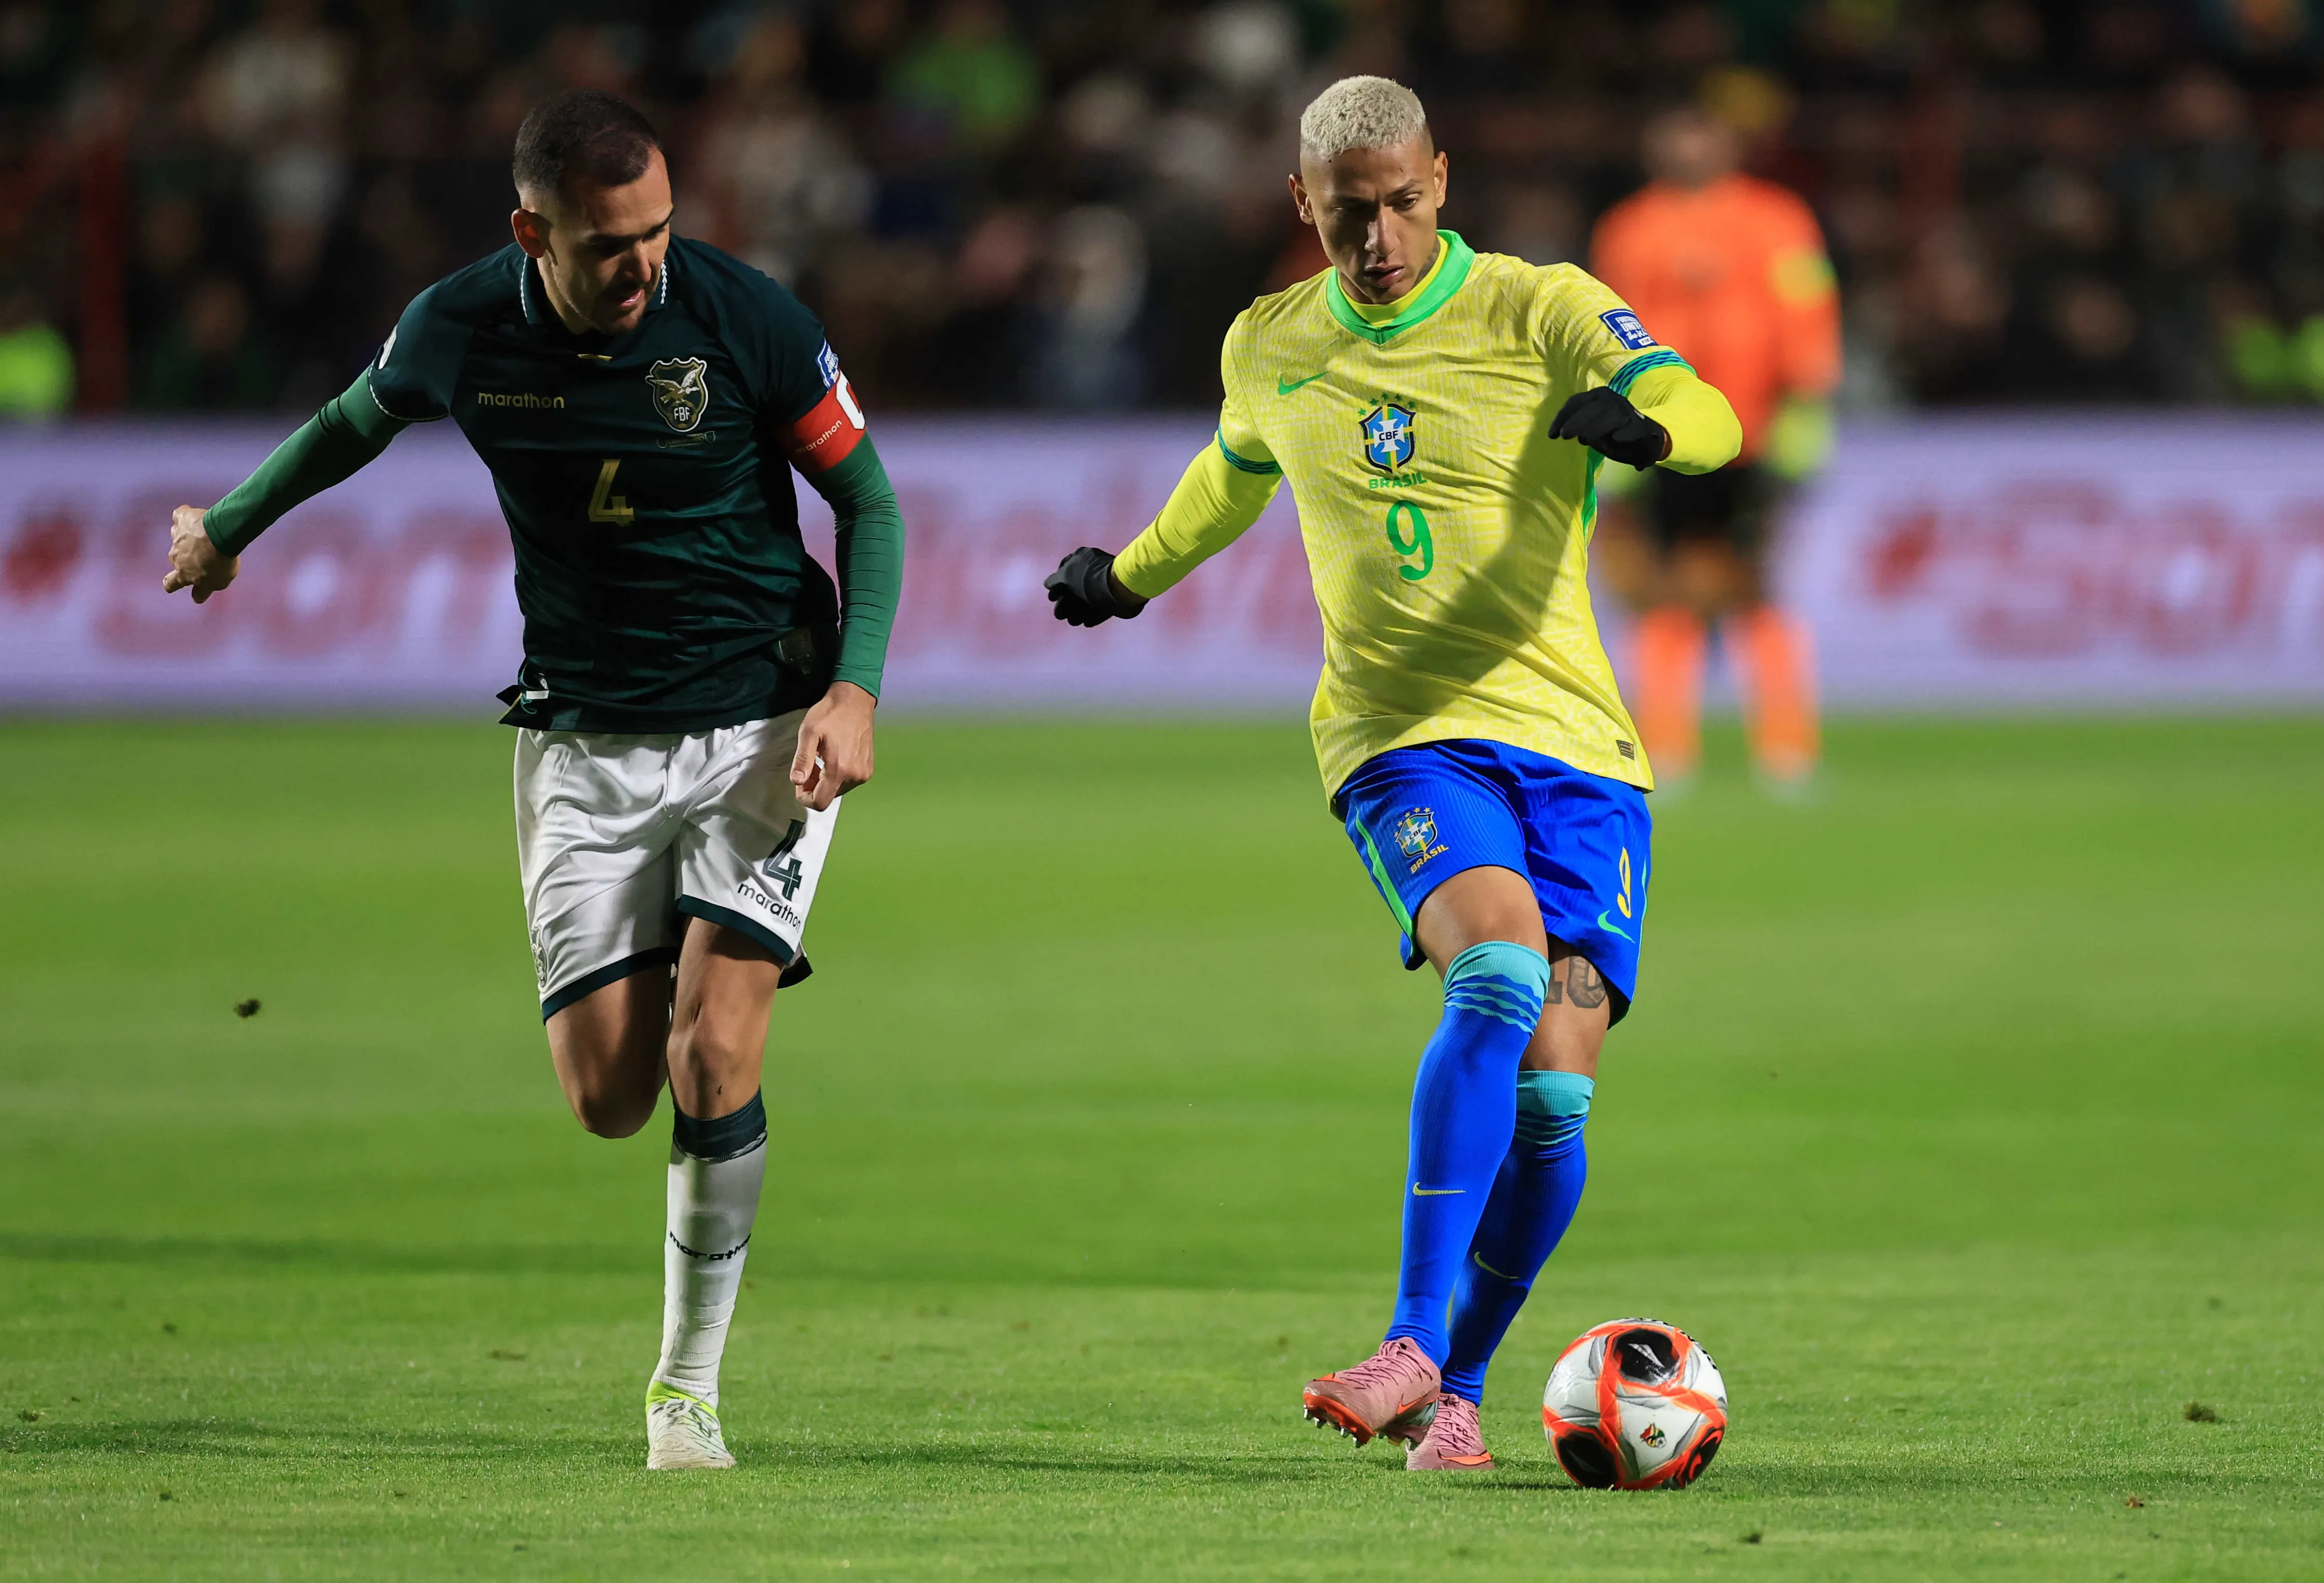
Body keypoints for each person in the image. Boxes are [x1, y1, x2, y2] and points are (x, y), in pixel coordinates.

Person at [159, 90, 905, 1472]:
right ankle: (663, 986)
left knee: (714, 1047)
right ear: (532, 231)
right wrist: (231, 530)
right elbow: (349, 422)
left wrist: (853, 689)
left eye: (661, 231)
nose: (646, 265)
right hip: (585, 736)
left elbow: (867, 500)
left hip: (763, 720)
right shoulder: (458, 325)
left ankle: (685, 1391)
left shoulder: (744, 316)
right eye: (613, 242)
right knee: (610, 1096)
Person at [1043, 76, 1738, 1472]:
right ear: (1302, 204)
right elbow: (1232, 473)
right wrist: (1128, 574)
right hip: (1397, 733)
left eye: (1400, 202)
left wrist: (1651, 429)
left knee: (1552, 1099)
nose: (1375, 235)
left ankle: (1461, 1396)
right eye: (1345, 212)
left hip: (1577, 753)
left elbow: (1703, 406)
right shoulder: (1272, 342)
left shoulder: (1540, 311)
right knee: (1491, 969)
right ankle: (1412, 1336)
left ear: (1440, 179)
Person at [1588, 103, 1840, 790]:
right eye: (1675, 131)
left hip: (1753, 435)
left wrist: (1807, 406)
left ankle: (1786, 752)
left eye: (1699, 131)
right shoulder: (1630, 228)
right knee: (1661, 592)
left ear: (1726, 144)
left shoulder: (1775, 220)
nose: (1686, 145)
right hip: (1662, 438)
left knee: (1754, 590)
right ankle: (1664, 752)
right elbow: (1606, 329)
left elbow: (1806, 313)